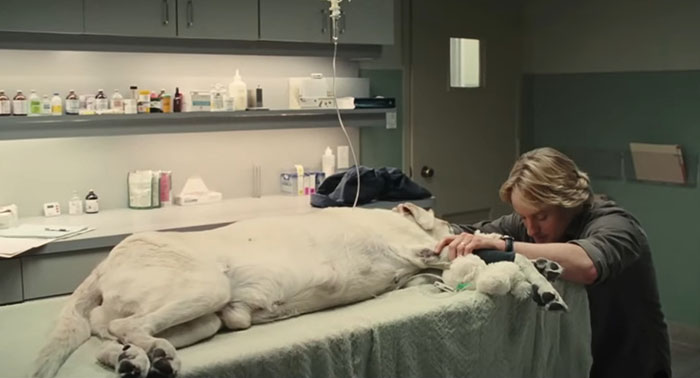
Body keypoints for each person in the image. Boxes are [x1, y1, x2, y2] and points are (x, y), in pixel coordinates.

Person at [435, 147, 671, 378]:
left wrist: (505, 246)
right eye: (523, 217)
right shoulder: (528, 222)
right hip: (577, 358)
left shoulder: (617, 225)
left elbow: (587, 265)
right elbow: (468, 233)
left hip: (629, 363)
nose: (531, 228)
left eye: (541, 216)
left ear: (569, 202)